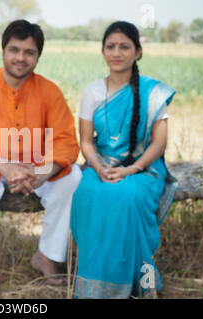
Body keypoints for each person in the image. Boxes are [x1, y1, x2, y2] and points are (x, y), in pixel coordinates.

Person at [0, 19, 82, 294]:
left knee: (73, 176)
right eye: (14, 49)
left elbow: (66, 140)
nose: (20, 58)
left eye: (29, 52)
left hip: (37, 171)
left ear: (38, 57)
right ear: (3, 51)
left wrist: (42, 172)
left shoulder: (49, 91)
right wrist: (4, 166)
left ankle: (46, 256)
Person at [70, 21, 177, 299]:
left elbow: (159, 143)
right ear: (103, 51)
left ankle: (138, 281)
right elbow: (86, 142)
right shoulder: (92, 91)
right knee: (88, 191)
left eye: (124, 46)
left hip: (144, 168)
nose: (117, 52)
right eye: (111, 46)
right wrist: (98, 166)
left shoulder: (153, 93)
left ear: (138, 52)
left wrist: (131, 169)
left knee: (126, 194)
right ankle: (95, 287)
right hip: (100, 163)